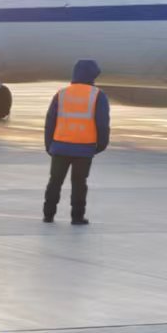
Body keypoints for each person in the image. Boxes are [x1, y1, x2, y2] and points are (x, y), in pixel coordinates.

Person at [42, 58, 110, 225]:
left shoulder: (62, 94)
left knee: (54, 182)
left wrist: (49, 145)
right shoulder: (98, 96)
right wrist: (100, 145)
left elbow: (50, 120)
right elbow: (102, 123)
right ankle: (77, 217)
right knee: (79, 184)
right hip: (84, 149)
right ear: (92, 75)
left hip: (60, 147)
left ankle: (48, 215)